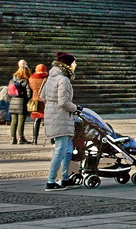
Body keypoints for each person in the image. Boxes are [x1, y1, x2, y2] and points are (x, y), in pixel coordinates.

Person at [43, 52, 79, 190]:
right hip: (60, 117)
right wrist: (75, 108)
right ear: (67, 64)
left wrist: (51, 106)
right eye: (74, 62)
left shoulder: (51, 77)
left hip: (53, 115)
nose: (75, 65)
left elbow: (42, 96)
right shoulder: (63, 79)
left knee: (67, 150)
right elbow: (63, 102)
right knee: (60, 150)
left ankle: (65, 178)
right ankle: (51, 181)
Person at [7, 65, 32, 143]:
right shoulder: (25, 81)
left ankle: (13, 138)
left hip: (13, 102)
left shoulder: (12, 81)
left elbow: (9, 92)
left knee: (14, 121)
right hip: (22, 102)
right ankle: (20, 137)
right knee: (21, 121)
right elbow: (29, 94)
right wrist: (28, 99)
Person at [28, 63, 49, 143]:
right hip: (45, 101)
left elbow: (31, 88)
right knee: (47, 121)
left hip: (36, 100)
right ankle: (51, 139)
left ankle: (34, 139)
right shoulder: (47, 79)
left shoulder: (31, 79)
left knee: (37, 120)